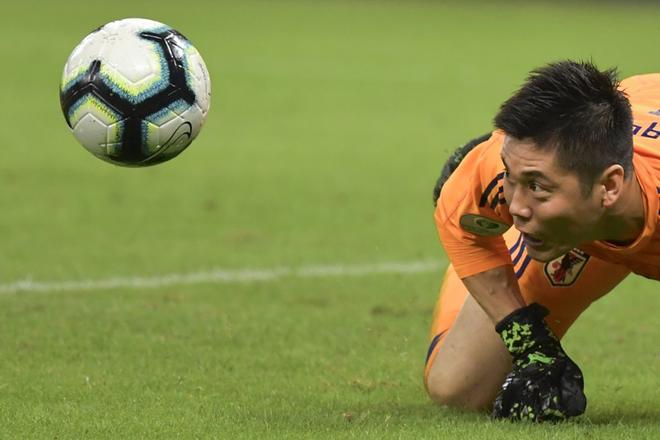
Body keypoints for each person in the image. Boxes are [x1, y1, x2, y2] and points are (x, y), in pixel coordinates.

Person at [424, 60, 660, 422]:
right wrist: (529, 342)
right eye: (512, 179)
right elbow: (461, 221)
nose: (515, 209)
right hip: (616, 152)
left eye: (536, 185)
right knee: (457, 386)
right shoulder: (503, 168)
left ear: (609, 185)